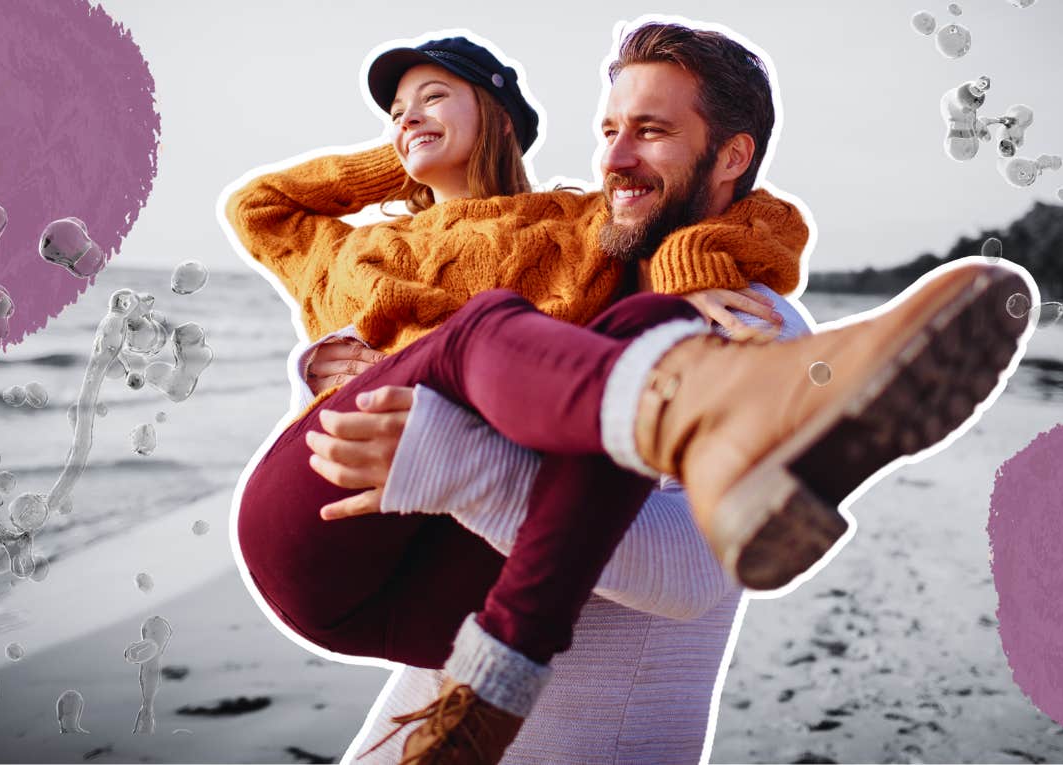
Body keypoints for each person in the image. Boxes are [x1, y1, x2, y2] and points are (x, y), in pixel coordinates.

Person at [226, 28, 836, 764]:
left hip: (577, 744)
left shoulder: (750, 323)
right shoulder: (596, 274)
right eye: (609, 130)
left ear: (733, 156)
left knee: (532, 331)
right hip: (435, 708)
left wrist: (454, 459)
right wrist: (338, 377)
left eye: (651, 131)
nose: (613, 158)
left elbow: (691, 573)